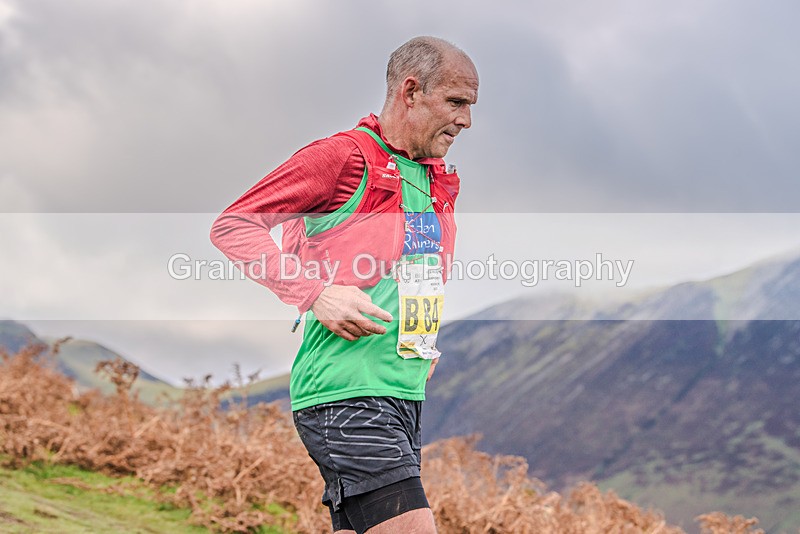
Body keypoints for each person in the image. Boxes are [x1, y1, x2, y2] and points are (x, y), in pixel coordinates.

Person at [210, 36, 478, 534]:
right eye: (457, 102)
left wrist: (419, 340)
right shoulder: (341, 158)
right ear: (411, 91)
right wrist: (316, 294)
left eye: (471, 106)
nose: (466, 121)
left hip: (404, 395)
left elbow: (410, 273)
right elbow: (234, 225)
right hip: (344, 394)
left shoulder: (434, 181)